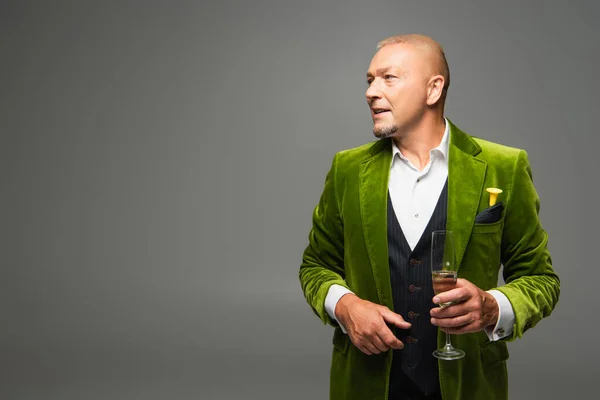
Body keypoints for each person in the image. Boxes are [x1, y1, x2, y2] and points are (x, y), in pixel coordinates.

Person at [298, 34, 560, 400]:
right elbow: (314, 266)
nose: (371, 92)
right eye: (369, 80)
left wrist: (492, 307)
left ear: (433, 89)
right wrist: (345, 306)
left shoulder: (505, 167)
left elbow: (540, 280)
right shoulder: (347, 169)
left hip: (468, 385)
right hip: (367, 384)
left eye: (388, 78)